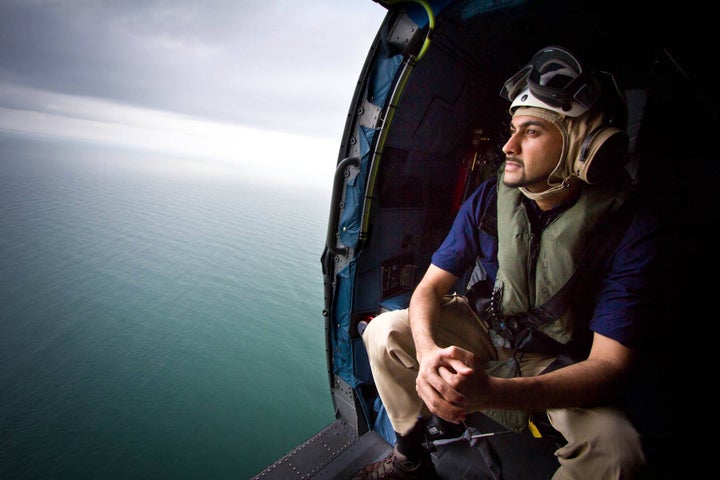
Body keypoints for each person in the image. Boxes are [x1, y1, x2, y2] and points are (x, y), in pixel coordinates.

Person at [351, 45, 664, 480]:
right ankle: (411, 454)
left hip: (557, 361)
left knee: (616, 451)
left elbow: (608, 367)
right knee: (385, 332)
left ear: (584, 146)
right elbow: (429, 289)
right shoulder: (488, 201)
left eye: (531, 132)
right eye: (512, 129)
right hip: (485, 327)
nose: (508, 146)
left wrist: (492, 392)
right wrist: (427, 355)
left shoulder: (630, 228)